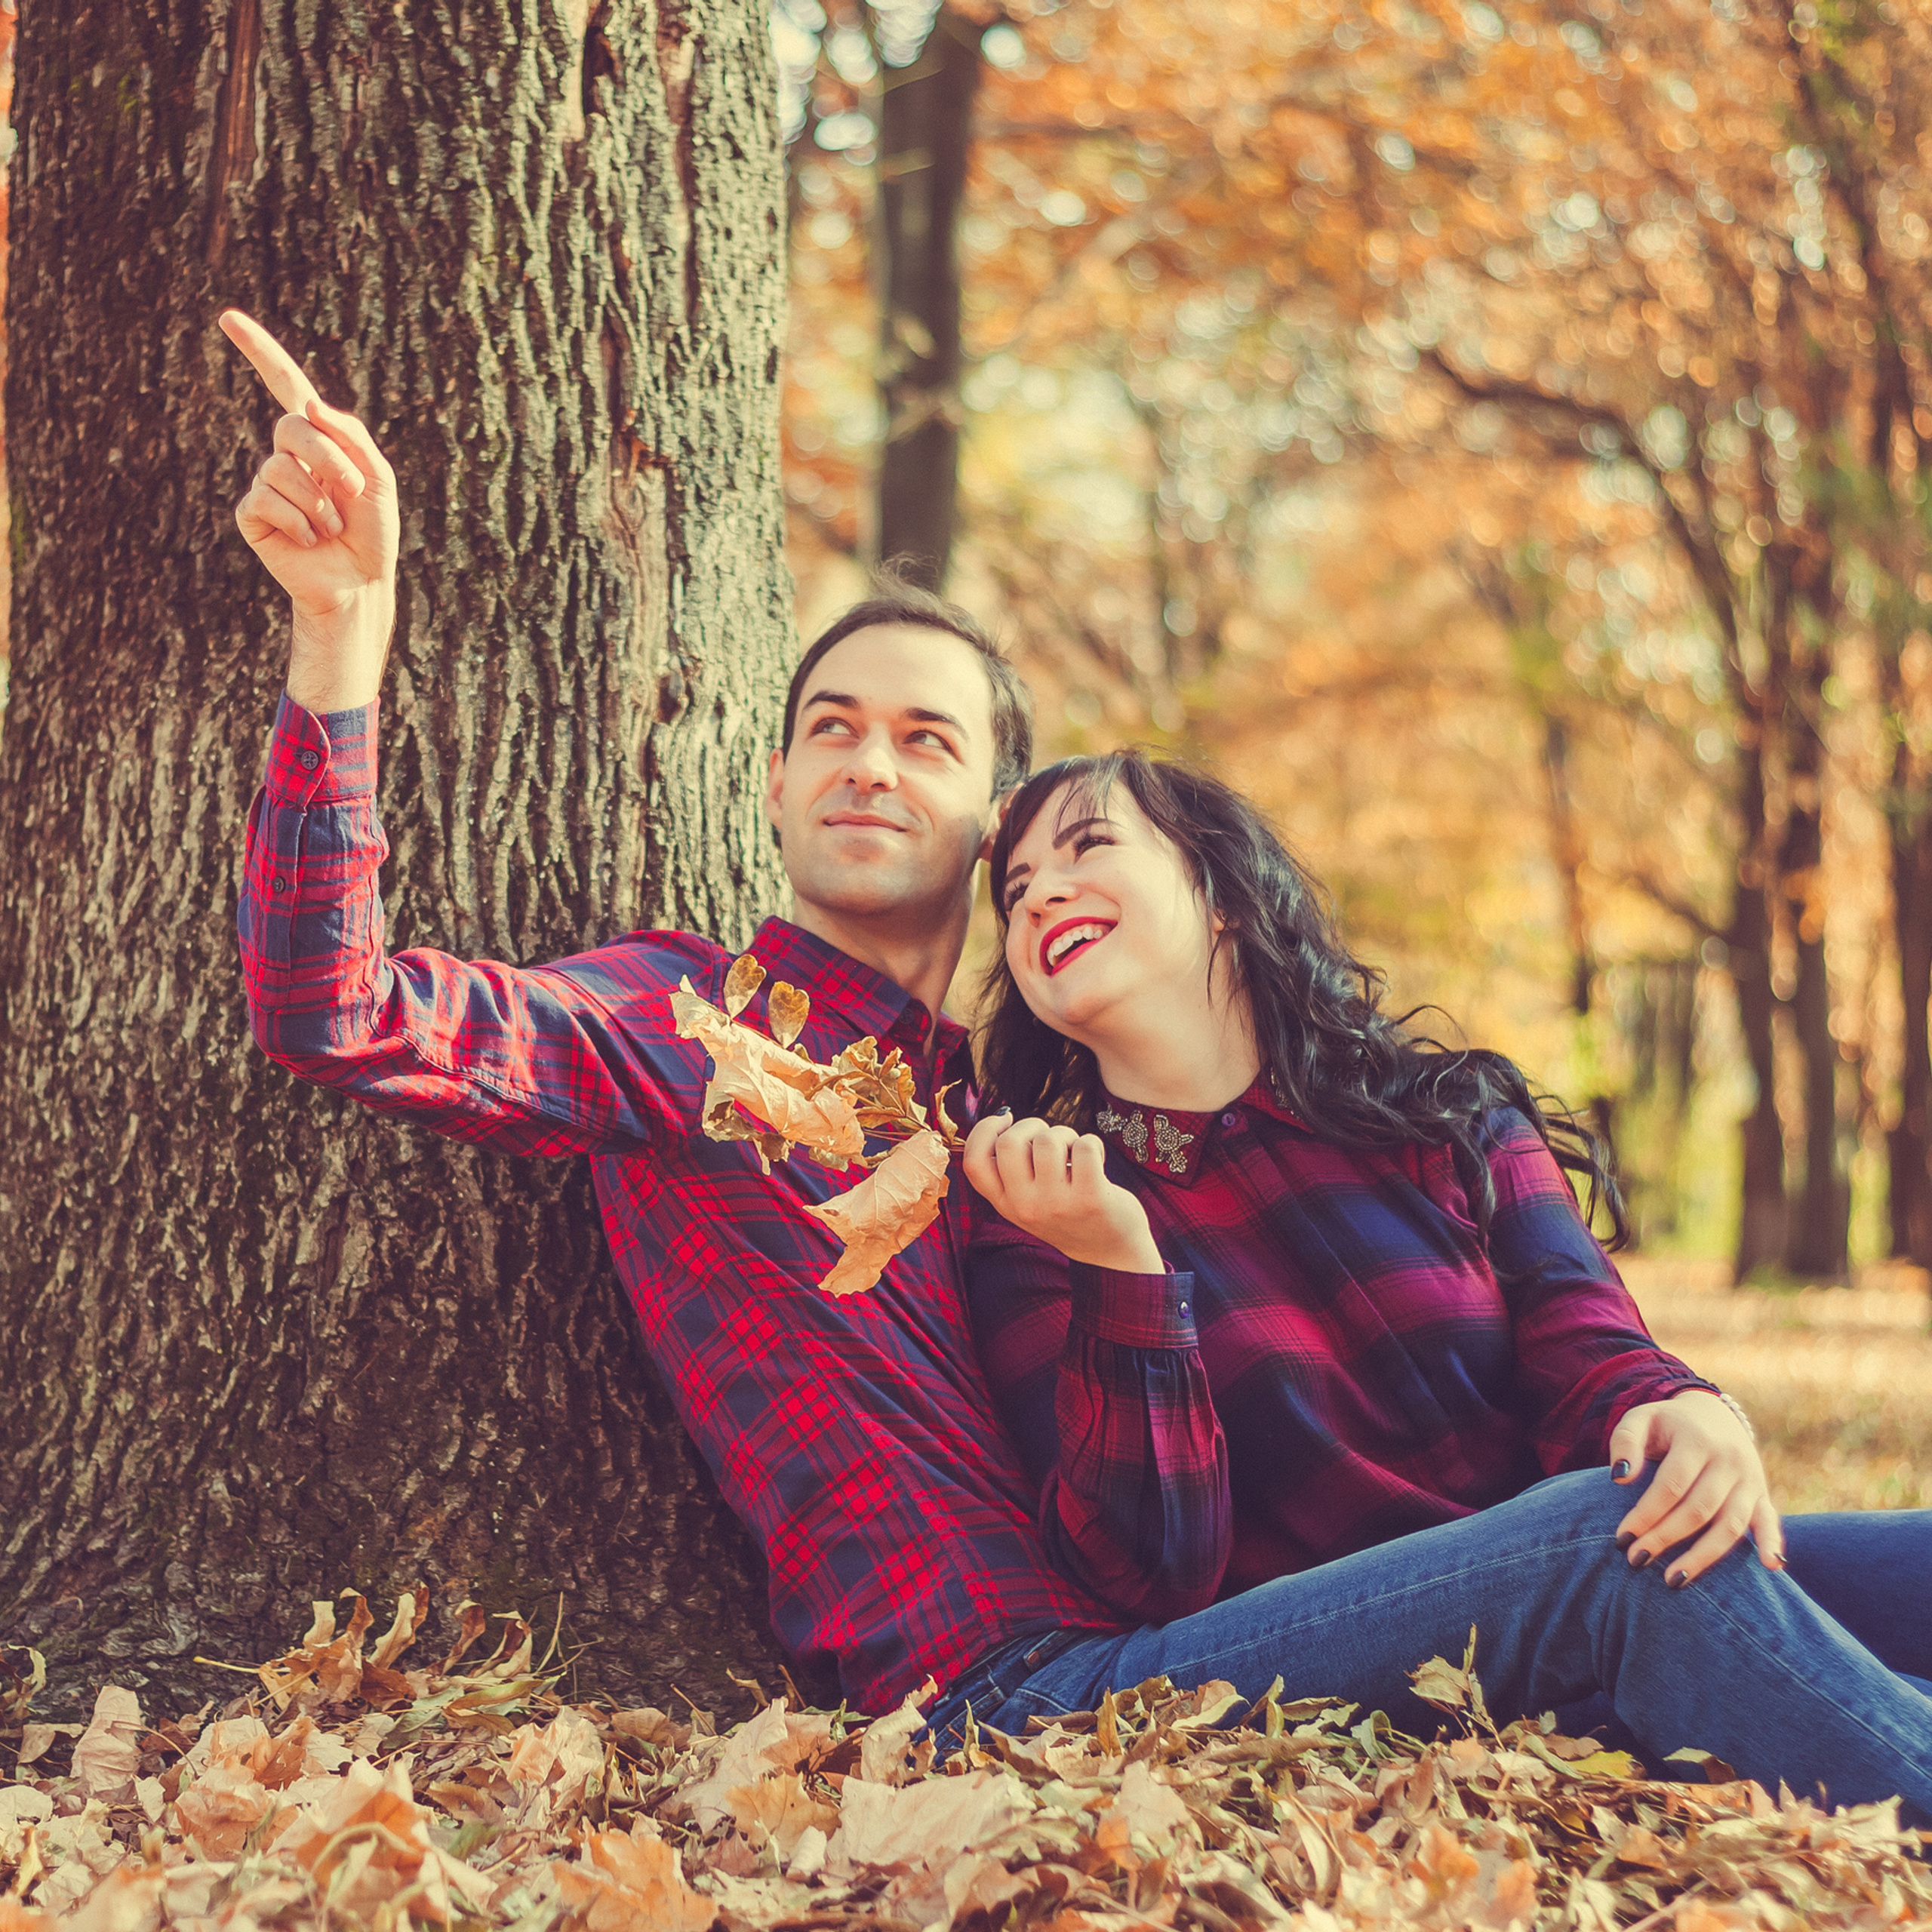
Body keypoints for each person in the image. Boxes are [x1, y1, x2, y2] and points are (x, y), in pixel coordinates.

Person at [219, 308, 1125, 1716]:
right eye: (831, 727)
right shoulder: (683, 1014)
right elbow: (332, 1008)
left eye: (924, 739)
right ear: (770, 784)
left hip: (1148, 1668)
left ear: (995, 822)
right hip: (983, 1690)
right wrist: (344, 630)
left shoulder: (1016, 1111)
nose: (868, 764)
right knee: (1584, 1564)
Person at [958, 748, 1932, 1820]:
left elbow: (1584, 1342)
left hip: (1569, 1580)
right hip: (1321, 1654)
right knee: (1611, 1550)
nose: (1041, 891)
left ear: (1222, 892)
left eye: (1090, 846)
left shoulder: (1447, 1115)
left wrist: (1678, 1404)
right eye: (1014, 890)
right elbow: (1146, 1573)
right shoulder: (1041, 1210)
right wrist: (1120, 1272)